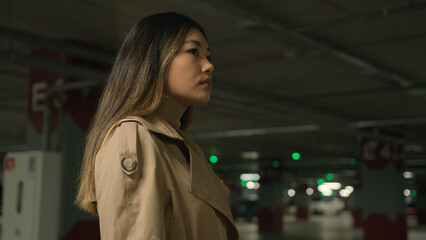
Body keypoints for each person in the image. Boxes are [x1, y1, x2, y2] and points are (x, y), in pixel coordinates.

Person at [75, 12, 239, 240]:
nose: (209, 65)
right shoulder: (133, 138)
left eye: (208, 56)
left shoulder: (178, 146)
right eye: (194, 51)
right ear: (153, 59)